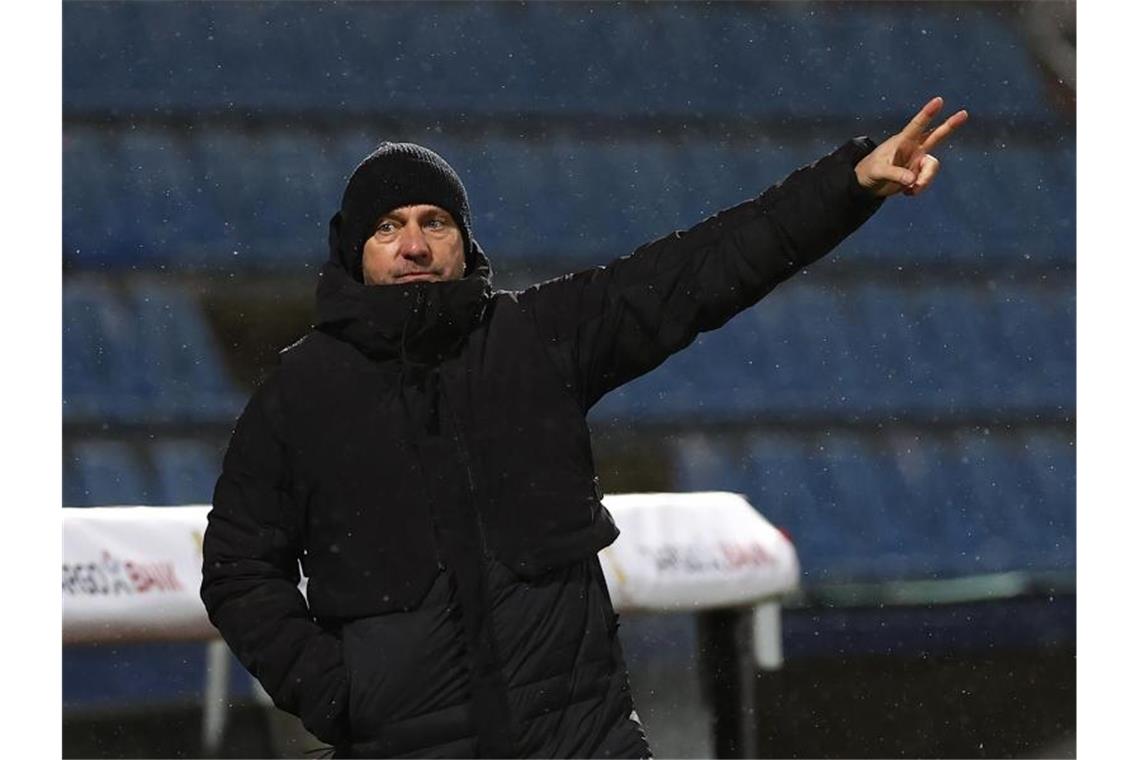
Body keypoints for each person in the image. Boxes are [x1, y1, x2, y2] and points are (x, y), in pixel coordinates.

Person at [200, 97, 967, 758]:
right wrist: (338, 693)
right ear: (353, 250)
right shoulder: (301, 394)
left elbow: (698, 270)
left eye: (435, 222)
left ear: (464, 242)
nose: (414, 244)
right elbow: (237, 567)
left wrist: (848, 185)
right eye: (389, 227)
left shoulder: (534, 340)